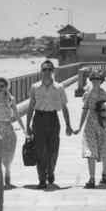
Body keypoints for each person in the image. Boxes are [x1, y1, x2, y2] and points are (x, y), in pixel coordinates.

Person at [26, 60, 73, 189]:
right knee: (39, 150)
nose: (46, 72)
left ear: (53, 71)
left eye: (49, 69)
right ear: (41, 71)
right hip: (38, 119)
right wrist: (27, 126)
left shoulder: (59, 87)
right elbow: (30, 107)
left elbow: (64, 107)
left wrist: (68, 124)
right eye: (44, 69)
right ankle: (42, 179)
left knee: (53, 150)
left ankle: (51, 171)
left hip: (53, 119)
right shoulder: (34, 87)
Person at [73, 71, 106, 188]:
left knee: (105, 150)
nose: (95, 82)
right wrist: (79, 127)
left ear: (101, 81)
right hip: (90, 124)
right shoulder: (87, 95)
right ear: (91, 81)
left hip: (104, 124)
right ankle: (91, 179)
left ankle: (104, 174)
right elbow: (85, 110)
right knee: (90, 150)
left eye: (98, 80)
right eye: (93, 80)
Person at [0, 77, 28, 186]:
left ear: (6, 86)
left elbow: (17, 115)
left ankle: (7, 170)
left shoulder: (10, 99)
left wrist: (24, 129)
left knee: (8, 153)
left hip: (8, 127)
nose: (0, 88)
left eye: (2, 86)